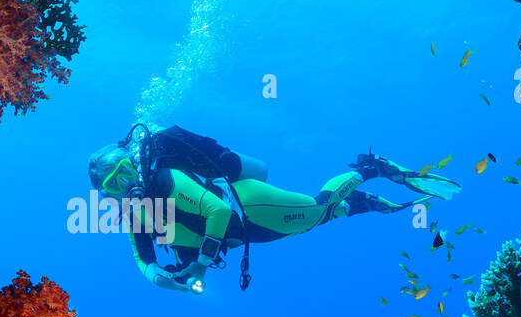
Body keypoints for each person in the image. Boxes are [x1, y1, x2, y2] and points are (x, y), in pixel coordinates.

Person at [86, 124, 460, 292]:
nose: (125, 186)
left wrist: (199, 264)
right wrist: (161, 279)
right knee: (311, 224)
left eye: (123, 173)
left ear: (132, 164)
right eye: (113, 186)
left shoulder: (164, 180)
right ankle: (360, 204)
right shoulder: (135, 216)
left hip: (249, 206)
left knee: (315, 209)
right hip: (246, 233)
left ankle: (371, 167)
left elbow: (216, 212)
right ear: (108, 197)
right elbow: (143, 257)